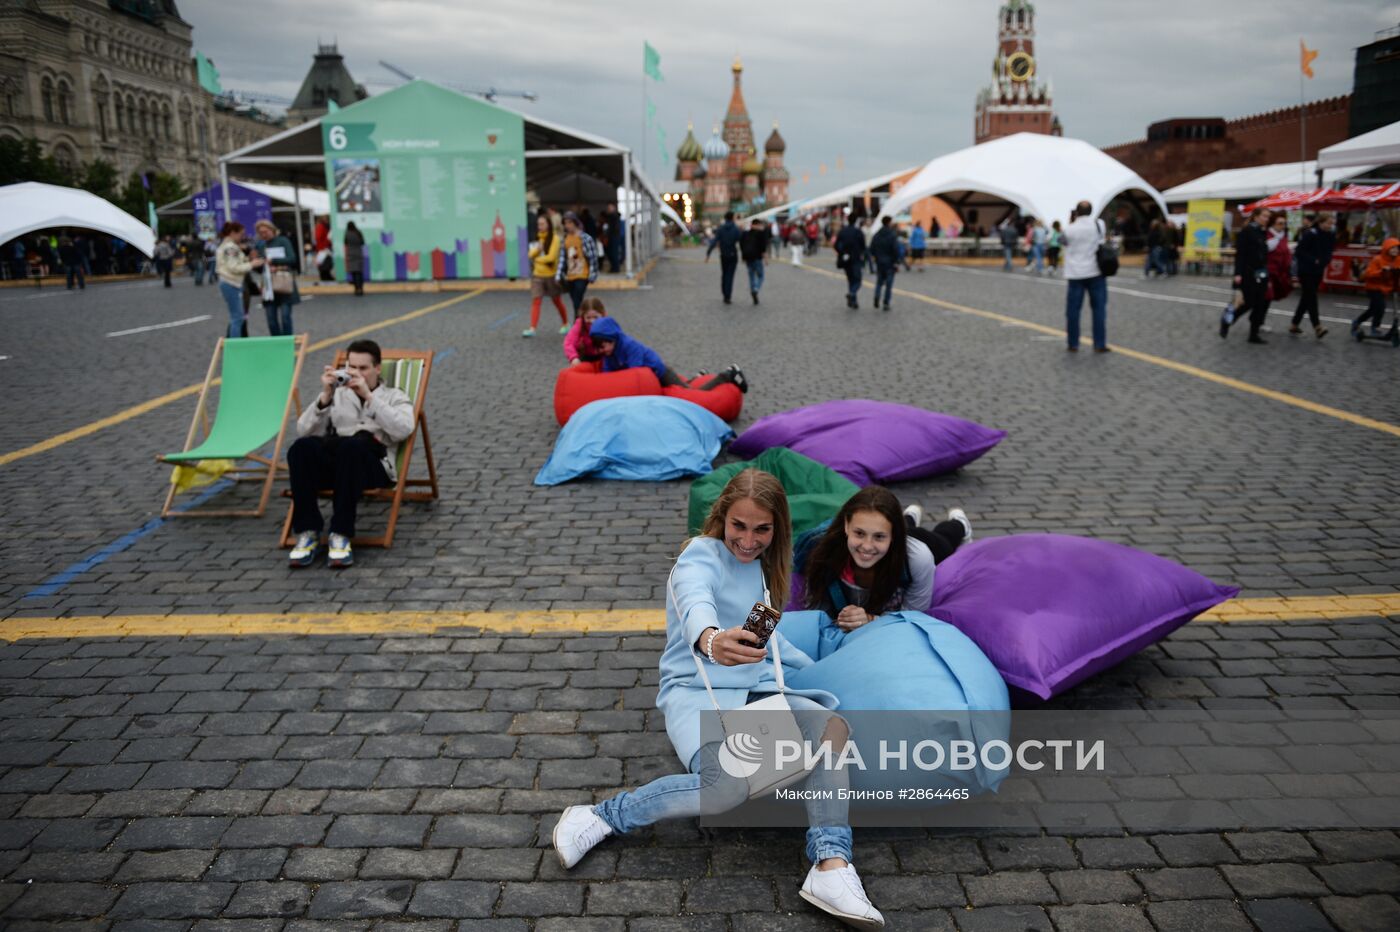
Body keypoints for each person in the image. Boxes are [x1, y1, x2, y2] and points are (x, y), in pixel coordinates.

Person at [551, 469, 886, 930]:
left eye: (761, 529)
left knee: (832, 726)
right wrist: (711, 641)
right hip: (697, 694)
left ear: (777, 529)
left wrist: (823, 667)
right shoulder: (699, 557)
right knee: (725, 788)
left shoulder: (765, 572)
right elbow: (696, 606)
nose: (748, 540)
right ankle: (603, 815)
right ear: (722, 519)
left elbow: (772, 640)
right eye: (739, 526)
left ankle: (831, 865)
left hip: (755, 690)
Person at [286, 339, 415, 570]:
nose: (356, 373)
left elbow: (404, 429)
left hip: (373, 467)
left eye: (363, 368)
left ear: (378, 368)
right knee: (301, 448)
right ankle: (308, 530)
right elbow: (303, 430)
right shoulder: (338, 393)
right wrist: (325, 396)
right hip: (338, 467)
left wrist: (369, 398)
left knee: (352, 446)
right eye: (351, 367)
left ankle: (340, 533)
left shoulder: (394, 396)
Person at [798, 487, 972, 624]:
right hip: (889, 535)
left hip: (908, 543)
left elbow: (913, 619)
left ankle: (959, 524)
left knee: (944, 542)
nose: (866, 546)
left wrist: (870, 620)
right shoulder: (821, 552)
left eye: (878, 537)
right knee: (886, 529)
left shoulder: (917, 558)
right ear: (846, 526)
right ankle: (907, 519)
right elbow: (816, 613)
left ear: (894, 534)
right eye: (859, 533)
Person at [588, 317, 747, 392]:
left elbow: (634, 375)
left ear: (612, 338)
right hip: (651, 380)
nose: (603, 351)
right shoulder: (607, 354)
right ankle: (697, 377)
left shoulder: (629, 346)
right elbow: (607, 374)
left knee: (692, 396)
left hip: (661, 373)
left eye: (604, 346)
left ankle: (728, 374)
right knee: (683, 388)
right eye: (599, 349)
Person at [1061, 200, 1110, 353]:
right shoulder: (1099, 224)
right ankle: (1099, 343)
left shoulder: (1070, 229)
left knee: (1073, 311)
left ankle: (1073, 343)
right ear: (1091, 211)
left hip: (1075, 273)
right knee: (1099, 310)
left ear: (1076, 212)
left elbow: (1060, 241)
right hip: (1096, 271)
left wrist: (1071, 222)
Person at [1220, 207, 1271, 344]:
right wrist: (1238, 273)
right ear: (1256, 217)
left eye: (1268, 217)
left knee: (1260, 303)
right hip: (1248, 272)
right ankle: (1227, 320)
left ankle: (1253, 334)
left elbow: (1263, 255)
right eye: (1264, 216)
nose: (1266, 219)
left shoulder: (1262, 231)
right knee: (1248, 303)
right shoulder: (1247, 231)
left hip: (1261, 272)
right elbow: (1240, 254)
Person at [523, 214, 569, 337]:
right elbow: (530, 254)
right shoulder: (538, 239)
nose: (540, 226)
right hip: (537, 275)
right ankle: (532, 328)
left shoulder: (555, 239)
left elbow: (551, 257)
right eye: (539, 224)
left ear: (548, 224)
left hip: (551, 275)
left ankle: (565, 323)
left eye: (542, 224)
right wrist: (538, 250)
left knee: (557, 301)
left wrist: (537, 259)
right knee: (536, 300)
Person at [215, 222, 263, 339]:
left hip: (230, 282)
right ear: (233, 233)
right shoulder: (231, 247)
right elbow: (234, 267)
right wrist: (252, 264)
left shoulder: (226, 245)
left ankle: (233, 343)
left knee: (237, 317)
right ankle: (234, 346)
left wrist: (247, 260)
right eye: (241, 234)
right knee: (237, 317)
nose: (243, 237)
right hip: (231, 282)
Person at [1290, 213, 1335, 338]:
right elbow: (1299, 251)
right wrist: (1313, 260)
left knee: (1306, 297)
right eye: (1328, 223)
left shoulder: (1330, 235)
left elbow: (1330, 250)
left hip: (1318, 270)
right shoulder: (1310, 234)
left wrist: (1326, 260)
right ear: (1320, 222)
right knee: (1311, 297)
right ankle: (1317, 326)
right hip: (1306, 270)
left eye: (1331, 224)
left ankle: (1294, 324)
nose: (1330, 226)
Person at [253, 219, 300, 337]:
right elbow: (259, 268)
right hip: (268, 285)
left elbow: (292, 259)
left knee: (285, 316)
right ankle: (276, 343)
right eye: (261, 233)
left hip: (283, 280)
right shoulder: (261, 245)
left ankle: (287, 341)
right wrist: (255, 262)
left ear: (272, 230)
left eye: (265, 231)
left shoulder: (283, 241)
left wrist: (274, 261)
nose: (263, 234)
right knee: (271, 319)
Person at [1352, 238, 1400, 338]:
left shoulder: (1398, 260)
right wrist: (1382, 272)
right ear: (1387, 248)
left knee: (1373, 309)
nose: (1395, 250)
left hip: (1386, 288)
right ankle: (1375, 327)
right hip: (1373, 287)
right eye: (1393, 248)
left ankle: (1357, 321)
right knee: (1380, 307)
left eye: (1397, 248)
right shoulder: (1378, 259)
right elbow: (1368, 274)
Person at [555, 211, 599, 314]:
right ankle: (580, 323)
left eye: (570, 222)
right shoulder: (565, 239)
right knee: (575, 301)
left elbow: (593, 258)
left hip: (583, 274)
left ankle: (578, 323)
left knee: (577, 301)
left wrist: (593, 274)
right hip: (570, 275)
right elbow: (562, 258)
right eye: (565, 223)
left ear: (575, 222)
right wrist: (558, 275)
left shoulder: (585, 238)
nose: (568, 225)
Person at [705, 210, 742, 304]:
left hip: (723, 255)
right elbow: (741, 241)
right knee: (730, 275)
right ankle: (728, 295)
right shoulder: (735, 229)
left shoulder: (720, 228)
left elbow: (714, 241)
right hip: (733, 254)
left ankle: (725, 293)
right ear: (732, 217)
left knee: (724, 274)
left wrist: (708, 254)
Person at [563, 296, 607, 366]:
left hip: (604, 356)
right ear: (583, 316)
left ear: (602, 314)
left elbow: (619, 340)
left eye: (596, 317)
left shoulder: (607, 323)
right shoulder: (580, 323)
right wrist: (573, 358)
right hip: (586, 356)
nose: (592, 321)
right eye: (588, 318)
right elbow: (569, 342)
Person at [833, 218, 866, 310]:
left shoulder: (842, 231)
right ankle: (852, 294)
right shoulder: (858, 232)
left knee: (850, 280)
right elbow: (863, 246)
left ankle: (853, 301)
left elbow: (836, 245)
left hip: (846, 260)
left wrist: (842, 253)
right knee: (858, 280)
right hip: (855, 259)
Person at [868, 216, 899, 311]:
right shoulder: (892, 235)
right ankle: (886, 302)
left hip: (880, 262)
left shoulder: (877, 234)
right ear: (889, 223)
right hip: (889, 262)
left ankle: (877, 296)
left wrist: (876, 257)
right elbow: (895, 249)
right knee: (889, 284)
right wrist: (896, 261)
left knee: (879, 282)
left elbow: (871, 249)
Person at [740, 218, 770, 305]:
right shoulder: (761, 234)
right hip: (757, 257)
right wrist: (766, 259)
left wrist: (743, 257)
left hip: (748, 257)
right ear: (757, 225)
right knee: (761, 275)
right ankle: (756, 289)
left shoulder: (745, 234)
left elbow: (742, 245)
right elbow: (763, 247)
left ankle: (753, 289)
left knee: (751, 275)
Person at [343, 222, 365, 296]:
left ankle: (356, 289)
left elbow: (345, 243)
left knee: (354, 273)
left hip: (351, 254)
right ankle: (360, 288)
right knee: (359, 272)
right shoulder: (358, 232)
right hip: (358, 254)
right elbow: (362, 242)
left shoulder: (347, 234)